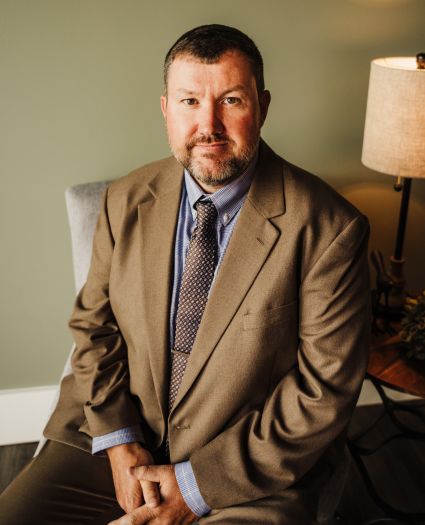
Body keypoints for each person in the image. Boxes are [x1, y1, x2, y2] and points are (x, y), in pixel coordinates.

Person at [0, 24, 370, 525]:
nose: (208, 125)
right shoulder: (124, 199)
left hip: (244, 471)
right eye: (190, 101)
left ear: (262, 106)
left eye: (231, 100)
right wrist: (119, 441)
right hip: (109, 438)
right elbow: (94, 328)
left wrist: (194, 487)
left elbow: (321, 391)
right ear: (166, 109)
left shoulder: (331, 229)